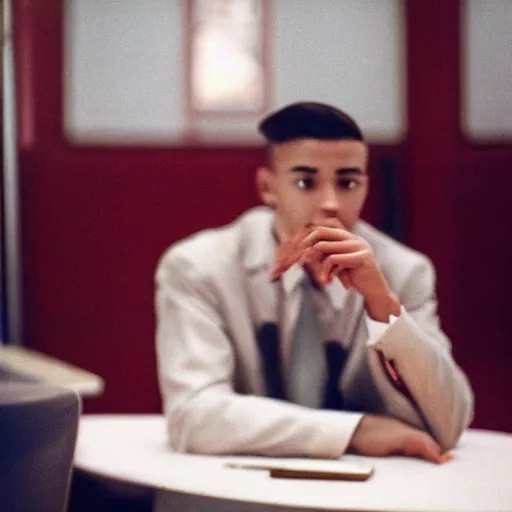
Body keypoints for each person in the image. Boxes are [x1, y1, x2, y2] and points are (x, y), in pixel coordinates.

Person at [155, 102, 473, 463]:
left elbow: (450, 424)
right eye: (306, 182)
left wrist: (381, 304)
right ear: (267, 188)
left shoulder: (404, 270)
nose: (331, 203)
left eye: (348, 182)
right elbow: (192, 416)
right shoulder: (197, 267)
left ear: (366, 185)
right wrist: (355, 432)